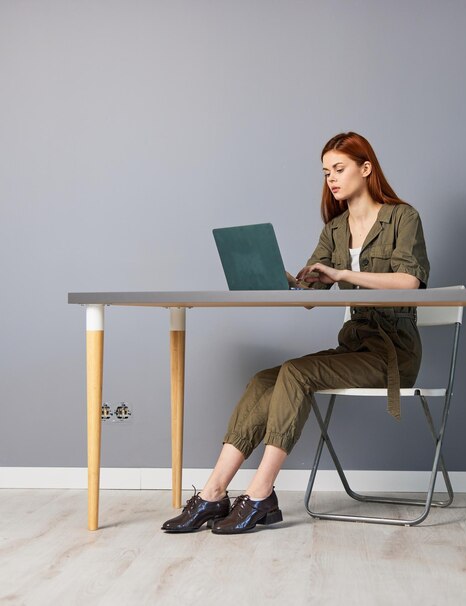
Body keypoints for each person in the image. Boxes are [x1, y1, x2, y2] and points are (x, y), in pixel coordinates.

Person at [161, 131, 430, 534]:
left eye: (339, 169)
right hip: (354, 348)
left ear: (366, 168)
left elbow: (410, 282)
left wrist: (341, 273)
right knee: (264, 379)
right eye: (326, 173)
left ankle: (259, 494)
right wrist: (286, 279)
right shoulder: (335, 229)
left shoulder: (402, 218)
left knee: (297, 374)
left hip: (393, 354)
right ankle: (214, 494)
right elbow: (310, 296)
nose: (332, 180)